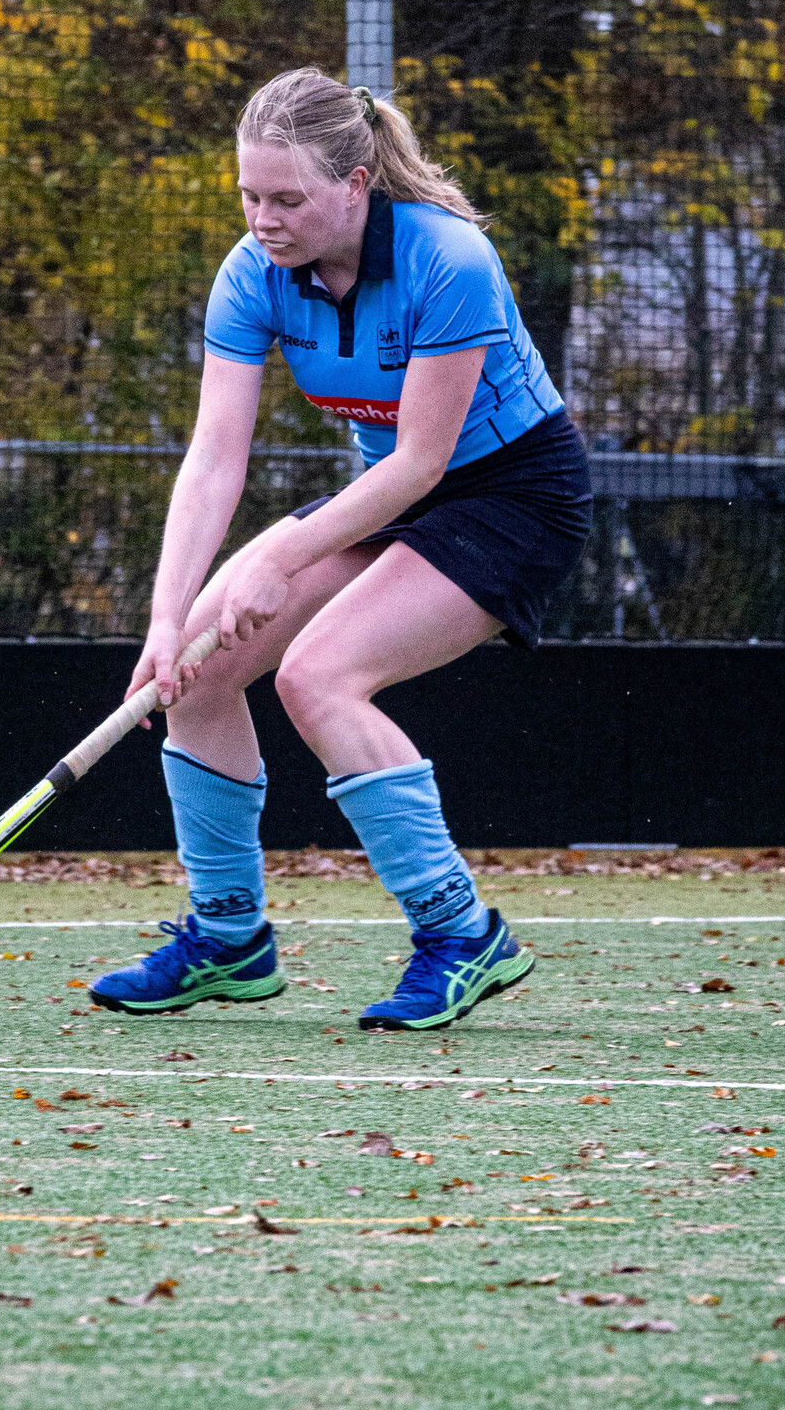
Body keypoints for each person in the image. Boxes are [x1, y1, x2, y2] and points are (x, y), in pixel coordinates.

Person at [89, 67, 593, 1032]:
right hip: (389, 495)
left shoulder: (451, 258)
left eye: (288, 198)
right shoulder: (250, 274)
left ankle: (461, 934)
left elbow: (421, 463)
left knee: (317, 678)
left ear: (356, 184)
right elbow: (212, 461)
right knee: (198, 668)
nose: (262, 218)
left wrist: (277, 557)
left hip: (511, 497)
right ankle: (229, 937)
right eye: (247, 194)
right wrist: (163, 619)